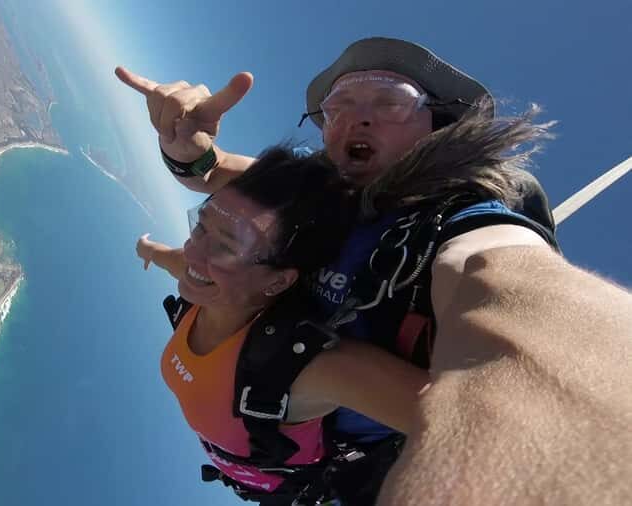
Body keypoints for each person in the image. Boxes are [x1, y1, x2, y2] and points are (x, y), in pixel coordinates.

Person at [121, 37, 574, 504]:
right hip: (269, 455)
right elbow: (214, 175)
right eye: (337, 107)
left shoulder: (457, 220)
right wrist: (183, 150)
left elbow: (502, 266)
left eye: (390, 103)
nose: (357, 117)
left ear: (435, 125)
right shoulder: (313, 198)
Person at [147, 147, 430, 505]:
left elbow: (471, 425)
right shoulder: (202, 290)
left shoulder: (306, 369)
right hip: (253, 478)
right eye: (200, 226)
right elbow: (172, 260)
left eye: (225, 248)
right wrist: (148, 251)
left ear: (278, 282)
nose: (193, 253)